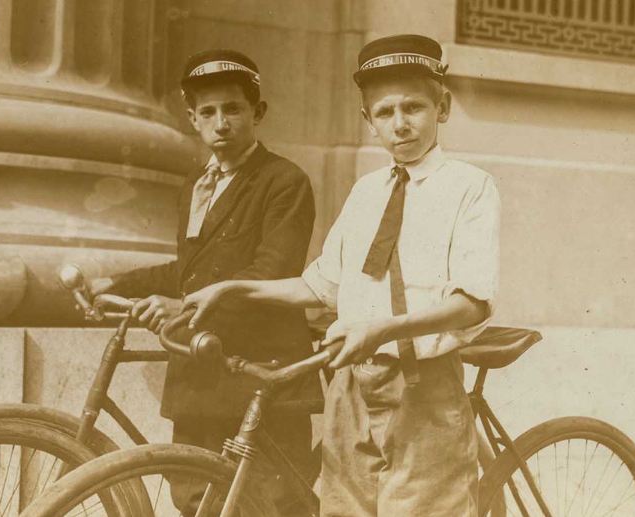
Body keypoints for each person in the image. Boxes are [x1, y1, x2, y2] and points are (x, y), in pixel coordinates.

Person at [179, 34, 501, 516]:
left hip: (424, 389)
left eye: (413, 107)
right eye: (385, 112)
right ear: (368, 122)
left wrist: (382, 329)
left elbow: (471, 304)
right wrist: (229, 288)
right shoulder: (366, 192)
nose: (401, 124)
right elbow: (317, 286)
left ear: (444, 107)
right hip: (349, 386)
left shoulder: (470, 188)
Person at [88, 49, 321, 514]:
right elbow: (190, 269)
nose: (222, 123)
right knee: (195, 500)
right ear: (192, 118)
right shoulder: (196, 185)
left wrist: (184, 308)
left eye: (233, 109)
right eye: (208, 112)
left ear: (258, 113)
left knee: (269, 504)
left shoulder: (284, 181)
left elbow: (268, 273)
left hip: (260, 373)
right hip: (201, 370)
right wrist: (116, 282)